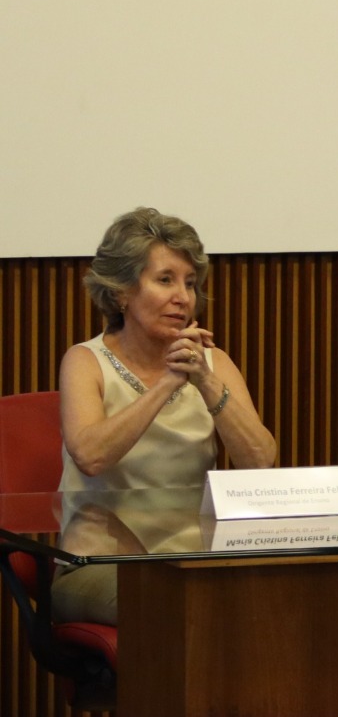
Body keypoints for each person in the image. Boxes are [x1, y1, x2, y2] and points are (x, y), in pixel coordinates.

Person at [54, 207, 278, 625]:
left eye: (190, 283)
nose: (183, 297)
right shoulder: (85, 362)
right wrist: (167, 384)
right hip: (99, 564)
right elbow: (90, 456)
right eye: (165, 280)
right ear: (121, 292)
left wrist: (205, 381)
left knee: (278, 601)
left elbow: (260, 461)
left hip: (194, 564)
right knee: (173, 608)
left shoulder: (212, 363)